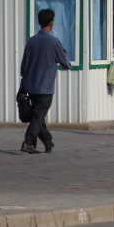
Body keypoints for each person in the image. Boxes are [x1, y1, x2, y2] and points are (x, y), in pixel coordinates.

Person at [19, 8, 71, 154]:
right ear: (51, 24)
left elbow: (24, 65)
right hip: (45, 87)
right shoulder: (53, 42)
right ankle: (28, 142)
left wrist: (23, 84)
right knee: (38, 116)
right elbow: (65, 62)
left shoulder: (31, 41)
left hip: (30, 85)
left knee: (37, 115)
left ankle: (48, 141)